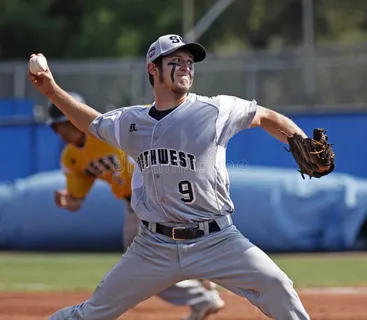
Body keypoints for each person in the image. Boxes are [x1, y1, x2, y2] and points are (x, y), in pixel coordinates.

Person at [27, 33, 332, 320]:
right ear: (153, 69)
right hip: (152, 246)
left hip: (217, 240)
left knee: (277, 286)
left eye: (189, 62)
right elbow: (91, 123)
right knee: (91, 313)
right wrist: (50, 90)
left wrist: (300, 139)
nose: (185, 66)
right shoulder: (131, 122)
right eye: (175, 61)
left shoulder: (215, 110)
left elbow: (266, 116)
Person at [45, 91, 224, 320]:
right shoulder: (71, 157)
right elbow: (76, 201)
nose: (61, 131)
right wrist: (66, 200)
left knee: (144, 265)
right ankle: (200, 290)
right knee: (148, 262)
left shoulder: (107, 130)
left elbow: (150, 117)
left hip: (158, 194)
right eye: (57, 126)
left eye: (64, 123)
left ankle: (200, 291)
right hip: (135, 206)